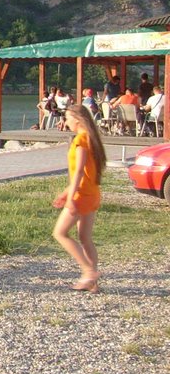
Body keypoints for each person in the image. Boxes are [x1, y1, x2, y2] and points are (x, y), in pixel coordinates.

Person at [52, 104, 106, 294]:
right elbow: (84, 172)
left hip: (82, 194)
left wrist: (71, 198)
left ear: (77, 119)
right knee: (85, 238)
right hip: (91, 193)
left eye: (67, 118)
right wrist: (65, 193)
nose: (65, 122)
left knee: (60, 233)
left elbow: (79, 174)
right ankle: (93, 282)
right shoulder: (91, 139)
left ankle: (88, 271)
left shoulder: (81, 141)